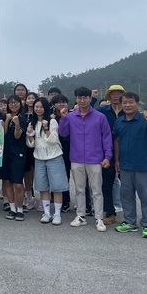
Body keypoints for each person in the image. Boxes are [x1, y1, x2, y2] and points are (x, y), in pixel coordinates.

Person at [58, 86, 111, 232]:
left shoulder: (100, 117)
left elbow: (107, 138)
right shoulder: (70, 116)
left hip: (95, 159)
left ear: (90, 98)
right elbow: (63, 134)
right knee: (79, 189)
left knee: (96, 190)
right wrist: (62, 118)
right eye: (79, 98)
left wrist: (108, 156)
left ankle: (99, 218)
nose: (82, 100)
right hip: (76, 158)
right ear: (76, 99)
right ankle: (80, 215)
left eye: (85, 97)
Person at [113, 92, 147, 239]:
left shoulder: (145, 120)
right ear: (121, 105)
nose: (127, 105)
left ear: (137, 103)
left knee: (145, 196)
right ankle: (130, 222)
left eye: (130, 102)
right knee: (126, 195)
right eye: (124, 103)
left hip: (143, 165)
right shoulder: (119, 122)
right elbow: (117, 142)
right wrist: (116, 160)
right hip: (125, 165)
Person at [26, 97, 68, 225]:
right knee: (43, 187)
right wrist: (30, 135)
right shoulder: (32, 123)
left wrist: (46, 128)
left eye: (41, 107)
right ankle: (47, 213)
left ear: (45, 108)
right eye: (36, 107)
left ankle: (57, 214)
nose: (38, 109)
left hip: (54, 158)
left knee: (57, 187)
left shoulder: (52, 121)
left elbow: (53, 140)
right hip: (39, 158)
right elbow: (30, 145)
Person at [96, 84, 125, 225]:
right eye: (112, 93)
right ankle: (110, 212)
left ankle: (129, 214)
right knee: (106, 184)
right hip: (106, 152)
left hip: (125, 153)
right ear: (108, 96)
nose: (115, 95)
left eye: (118, 93)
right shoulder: (102, 111)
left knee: (127, 185)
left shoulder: (128, 110)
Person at [0, 95, 27, 221]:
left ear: (20, 104)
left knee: (18, 184)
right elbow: (2, 135)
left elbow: (17, 135)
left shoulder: (23, 118)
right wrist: (6, 122)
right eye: (11, 103)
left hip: (18, 153)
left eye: (16, 102)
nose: (13, 105)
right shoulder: (5, 116)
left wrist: (16, 124)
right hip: (5, 153)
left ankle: (20, 209)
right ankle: (12, 208)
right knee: (7, 182)